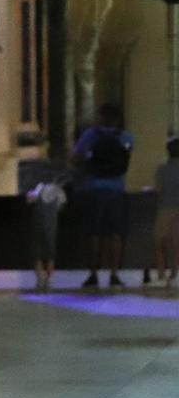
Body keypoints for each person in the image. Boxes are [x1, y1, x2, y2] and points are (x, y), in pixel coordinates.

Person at [72, 103, 134, 289]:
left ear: (100, 117)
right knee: (115, 233)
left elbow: (75, 156)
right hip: (117, 189)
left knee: (93, 233)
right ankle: (114, 273)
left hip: (94, 188)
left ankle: (93, 274)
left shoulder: (90, 135)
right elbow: (127, 156)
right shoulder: (126, 136)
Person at [27, 174, 69, 292]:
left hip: (44, 223)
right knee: (45, 250)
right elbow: (61, 207)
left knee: (41, 250)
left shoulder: (46, 189)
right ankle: (44, 279)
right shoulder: (50, 190)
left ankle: (42, 279)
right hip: (48, 223)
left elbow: (30, 199)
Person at [155, 137, 179, 290]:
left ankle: (162, 274)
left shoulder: (162, 169)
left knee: (160, 242)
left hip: (165, 208)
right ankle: (174, 273)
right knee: (176, 243)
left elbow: (158, 190)